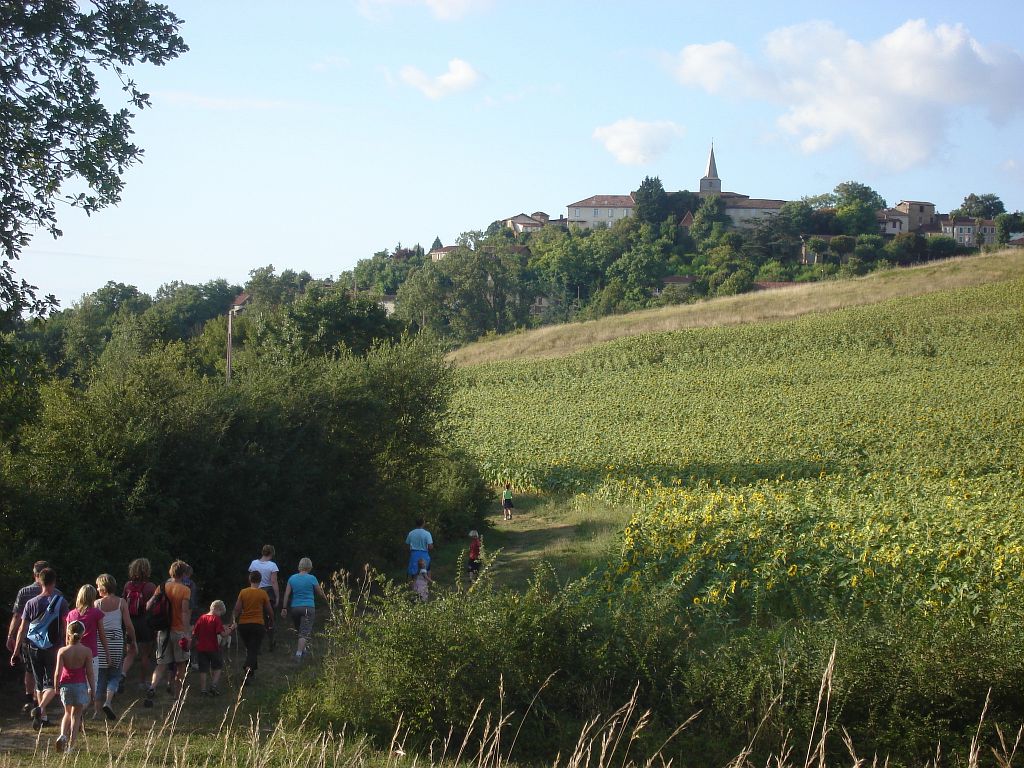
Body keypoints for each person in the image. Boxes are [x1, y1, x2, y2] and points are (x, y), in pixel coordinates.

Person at [10, 567, 68, 730]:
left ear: (40, 581)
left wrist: (16, 651)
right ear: (54, 581)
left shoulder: (31, 603)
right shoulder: (60, 601)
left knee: (38, 682)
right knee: (52, 683)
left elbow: (22, 628)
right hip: (53, 647)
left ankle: (42, 717)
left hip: (33, 646)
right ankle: (41, 709)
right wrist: (67, 644)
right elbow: (65, 626)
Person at [145, 560, 192, 704]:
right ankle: (177, 696)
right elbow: (184, 612)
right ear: (184, 574)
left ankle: (152, 686)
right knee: (180, 664)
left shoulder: (162, 587)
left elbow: (148, 606)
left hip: (163, 630)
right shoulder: (185, 590)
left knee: (161, 664)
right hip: (178, 631)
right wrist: (186, 632)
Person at [6, 560, 48, 713]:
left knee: (30, 670)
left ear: (34, 574)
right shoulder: (54, 592)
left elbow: (17, 617)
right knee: (45, 671)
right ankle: (41, 703)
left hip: (28, 638)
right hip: (48, 638)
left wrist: (11, 635)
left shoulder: (24, 592)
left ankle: (30, 699)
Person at [94, 574, 135, 721]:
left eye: (98, 586)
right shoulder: (121, 602)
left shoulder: (97, 604)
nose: (97, 588)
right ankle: (108, 701)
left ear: (103, 587)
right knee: (115, 674)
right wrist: (133, 642)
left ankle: (97, 711)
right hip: (117, 641)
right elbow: (128, 625)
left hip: (101, 641)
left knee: (100, 676)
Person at [54, 620, 94, 753]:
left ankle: (62, 735)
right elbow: (89, 672)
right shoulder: (86, 651)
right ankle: (71, 746)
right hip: (80, 685)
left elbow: (57, 672)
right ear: (83, 634)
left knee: (67, 712)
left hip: (65, 685)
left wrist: (56, 686)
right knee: (76, 716)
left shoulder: (62, 651)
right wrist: (92, 689)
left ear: (68, 633)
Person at [279, 558, 327, 662]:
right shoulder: (312, 578)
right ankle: (298, 654)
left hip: (295, 608)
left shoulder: (292, 578)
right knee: (304, 632)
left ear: (300, 565)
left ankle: (303, 650)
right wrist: (328, 598)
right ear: (309, 566)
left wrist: (284, 608)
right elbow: (320, 592)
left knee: (299, 630)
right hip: (308, 607)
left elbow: (287, 594)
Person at [121, 557, 157, 689]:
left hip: (130, 622)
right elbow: (154, 607)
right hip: (145, 622)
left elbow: (123, 603)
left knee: (130, 652)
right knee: (145, 654)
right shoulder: (150, 586)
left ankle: (122, 674)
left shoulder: (127, 585)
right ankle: (142, 681)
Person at [66, 584, 109, 687]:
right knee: (91, 685)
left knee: (76, 683)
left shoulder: (71, 614)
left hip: (75, 654)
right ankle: (86, 703)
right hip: (91, 654)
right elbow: (102, 634)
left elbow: (67, 637)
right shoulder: (96, 613)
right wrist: (107, 652)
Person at [233, 571, 272, 685]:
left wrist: (234, 620)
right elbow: (269, 609)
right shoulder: (263, 593)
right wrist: (272, 619)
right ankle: (247, 670)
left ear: (250, 580)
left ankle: (251, 673)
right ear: (260, 581)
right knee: (253, 649)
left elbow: (237, 609)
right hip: (257, 624)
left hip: (243, 625)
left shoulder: (243, 592)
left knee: (250, 648)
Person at [191, 600, 234, 696]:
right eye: (220, 613)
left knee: (203, 669)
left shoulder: (201, 618)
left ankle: (203, 690)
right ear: (216, 609)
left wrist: (192, 644)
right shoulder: (216, 619)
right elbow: (223, 635)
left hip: (201, 648)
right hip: (213, 648)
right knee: (218, 666)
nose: (220, 615)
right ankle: (213, 686)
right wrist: (232, 628)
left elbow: (194, 633)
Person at [248, 546, 280, 651]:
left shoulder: (253, 564)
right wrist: (278, 596)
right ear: (271, 553)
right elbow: (274, 582)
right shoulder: (272, 565)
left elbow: (251, 580)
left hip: (255, 592)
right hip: (268, 593)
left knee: (257, 619)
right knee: (270, 619)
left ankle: (257, 646)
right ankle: (271, 642)